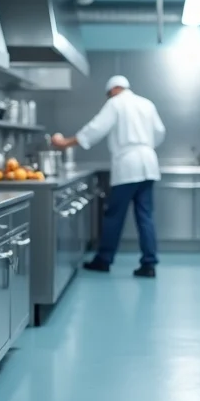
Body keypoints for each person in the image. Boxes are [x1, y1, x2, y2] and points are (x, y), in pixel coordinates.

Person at [50, 76, 166, 277]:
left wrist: (65, 143)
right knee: (145, 216)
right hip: (148, 162)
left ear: (112, 90)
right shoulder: (146, 104)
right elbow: (159, 132)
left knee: (114, 216)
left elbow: (95, 129)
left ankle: (103, 260)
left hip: (128, 165)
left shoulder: (115, 103)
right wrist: (144, 145)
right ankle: (149, 264)